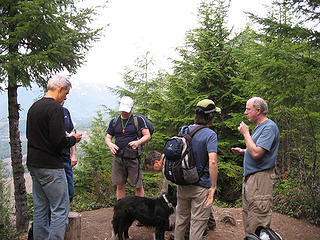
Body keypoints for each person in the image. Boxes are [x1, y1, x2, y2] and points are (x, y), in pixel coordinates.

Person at [26, 75, 82, 240]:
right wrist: (73, 139)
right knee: (60, 209)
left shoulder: (34, 107)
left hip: (34, 164)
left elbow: (32, 136)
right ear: (60, 89)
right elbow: (58, 141)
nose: (65, 97)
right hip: (51, 166)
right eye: (66, 93)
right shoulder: (55, 108)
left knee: (40, 208)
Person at [231, 97, 280, 236]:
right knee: (249, 218)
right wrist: (243, 151)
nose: (245, 112)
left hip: (261, 179)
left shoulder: (269, 127)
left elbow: (257, 153)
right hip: (252, 178)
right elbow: (258, 149)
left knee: (258, 222)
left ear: (258, 111)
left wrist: (246, 133)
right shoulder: (260, 127)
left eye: (248, 109)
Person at [172, 99, 220, 240]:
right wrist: (213, 187)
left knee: (181, 221)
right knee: (197, 224)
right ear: (210, 116)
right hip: (201, 186)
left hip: (183, 183)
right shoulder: (210, 135)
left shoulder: (184, 130)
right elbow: (212, 161)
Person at [145, 150, 216, 239]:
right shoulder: (171, 155)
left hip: (190, 185)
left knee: (187, 208)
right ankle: (211, 223)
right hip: (199, 177)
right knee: (201, 202)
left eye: (152, 168)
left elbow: (167, 187)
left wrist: (159, 199)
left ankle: (190, 233)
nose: (154, 171)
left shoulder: (167, 166)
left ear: (156, 163)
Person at [105, 96, 151, 200]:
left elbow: (147, 135)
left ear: (131, 108)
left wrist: (138, 142)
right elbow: (108, 137)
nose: (124, 112)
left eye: (126, 110)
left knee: (138, 185)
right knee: (120, 185)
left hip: (133, 158)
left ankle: (140, 211)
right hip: (118, 158)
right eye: (123, 110)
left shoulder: (138, 120)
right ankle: (121, 210)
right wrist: (110, 144)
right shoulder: (114, 121)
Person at [61, 100, 78, 203]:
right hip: (55, 160)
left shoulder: (65, 112)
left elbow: (72, 132)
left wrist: (74, 154)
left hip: (66, 158)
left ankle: (63, 216)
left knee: (70, 192)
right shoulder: (50, 112)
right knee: (58, 194)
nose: (64, 99)